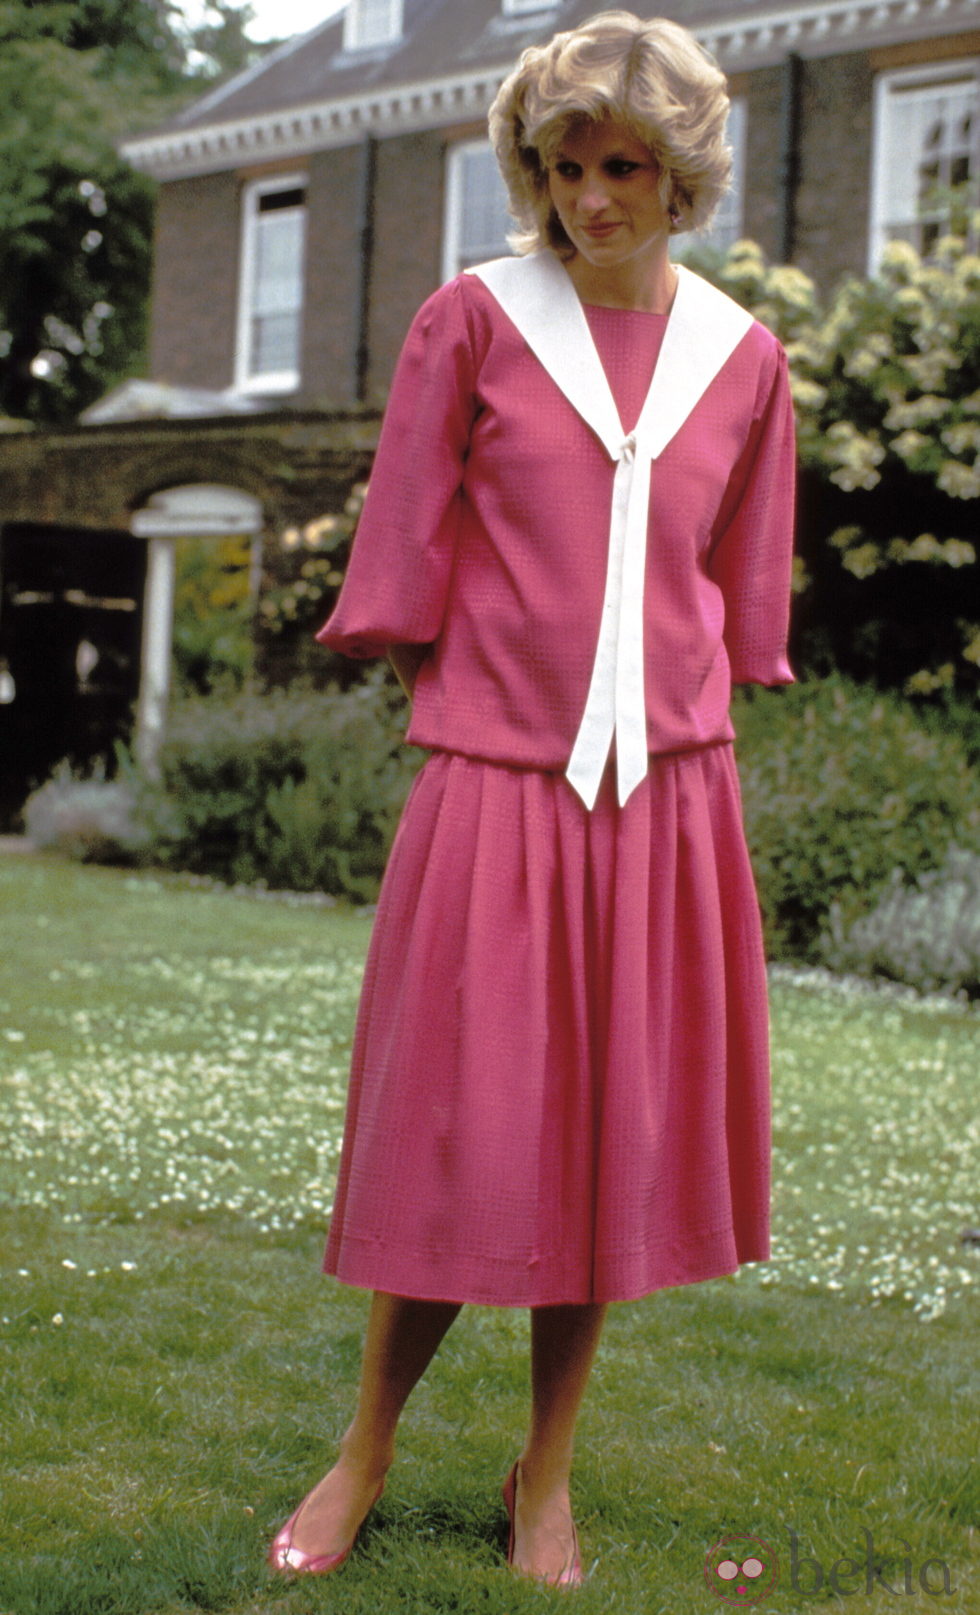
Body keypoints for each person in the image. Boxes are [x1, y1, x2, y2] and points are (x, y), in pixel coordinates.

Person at [268, 8, 795, 1590]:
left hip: (668, 803)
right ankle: (364, 1450)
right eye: (565, 165)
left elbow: (733, 587)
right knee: (452, 1143)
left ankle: (544, 1477)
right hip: (497, 789)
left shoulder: (744, 359)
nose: (593, 199)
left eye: (626, 165)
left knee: (602, 1155)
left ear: (684, 172)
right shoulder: (475, 324)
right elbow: (407, 553)